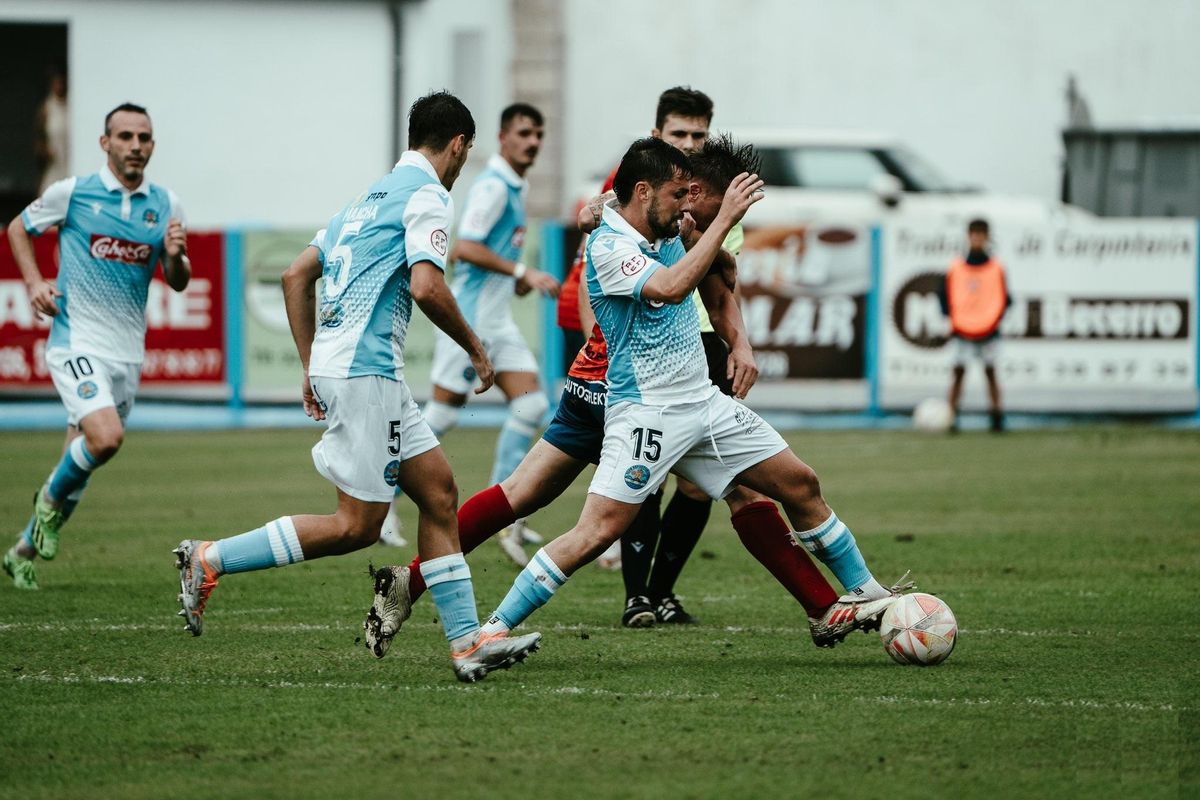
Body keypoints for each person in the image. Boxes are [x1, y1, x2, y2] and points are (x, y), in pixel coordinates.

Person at [362, 136, 906, 659]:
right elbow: (666, 283)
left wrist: (733, 320)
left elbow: (720, 285)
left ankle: (860, 594)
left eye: (697, 137)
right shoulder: (618, 234)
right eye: (681, 186)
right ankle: (485, 622)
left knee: (796, 483)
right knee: (574, 518)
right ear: (656, 181)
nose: (689, 199)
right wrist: (710, 227)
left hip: (700, 403)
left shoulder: (678, 216)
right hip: (630, 402)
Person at [171, 91, 540, 683]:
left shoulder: (364, 201)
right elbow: (426, 286)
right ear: (459, 145)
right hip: (366, 372)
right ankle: (208, 559)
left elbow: (296, 274)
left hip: (363, 371)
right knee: (357, 525)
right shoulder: (427, 196)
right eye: (465, 153)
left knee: (440, 493)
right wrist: (475, 347)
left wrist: (309, 363)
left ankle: (467, 644)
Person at [4, 103, 189, 591]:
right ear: (105, 143)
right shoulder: (75, 192)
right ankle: (44, 501)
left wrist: (174, 256)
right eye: (125, 136)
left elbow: (177, 281)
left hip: (127, 354)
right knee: (105, 437)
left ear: (152, 145)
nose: (135, 145)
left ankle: (22, 550)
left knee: (82, 464)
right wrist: (34, 283)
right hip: (75, 340)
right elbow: (18, 227)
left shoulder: (167, 205)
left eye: (144, 137)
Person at [380, 103, 559, 566]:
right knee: (442, 414)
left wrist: (513, 278)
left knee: (533, 405)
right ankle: (382, 504)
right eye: (524, 133)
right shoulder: (493, 187)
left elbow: (486, 253)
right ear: (502, 138)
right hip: (474, 321)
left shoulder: (515, 187)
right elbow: (465, 248)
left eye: (538, 134)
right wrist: (523, 270)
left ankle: (507, 515)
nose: (532, 142)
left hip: (498, 322)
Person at [940, 218, 1009, 433]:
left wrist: (992, 318)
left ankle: (996, 416)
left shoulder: (996, 267)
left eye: (981, 234)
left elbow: (1004, 298)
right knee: (958, 372)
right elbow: (945, 296)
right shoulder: (957, 267)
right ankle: (950, 416)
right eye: (974, 234)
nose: (977, 238)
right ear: (968, 236)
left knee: (991, 372)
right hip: (962, 329)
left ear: (987, 237)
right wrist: (953, 318)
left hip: (989, 329)